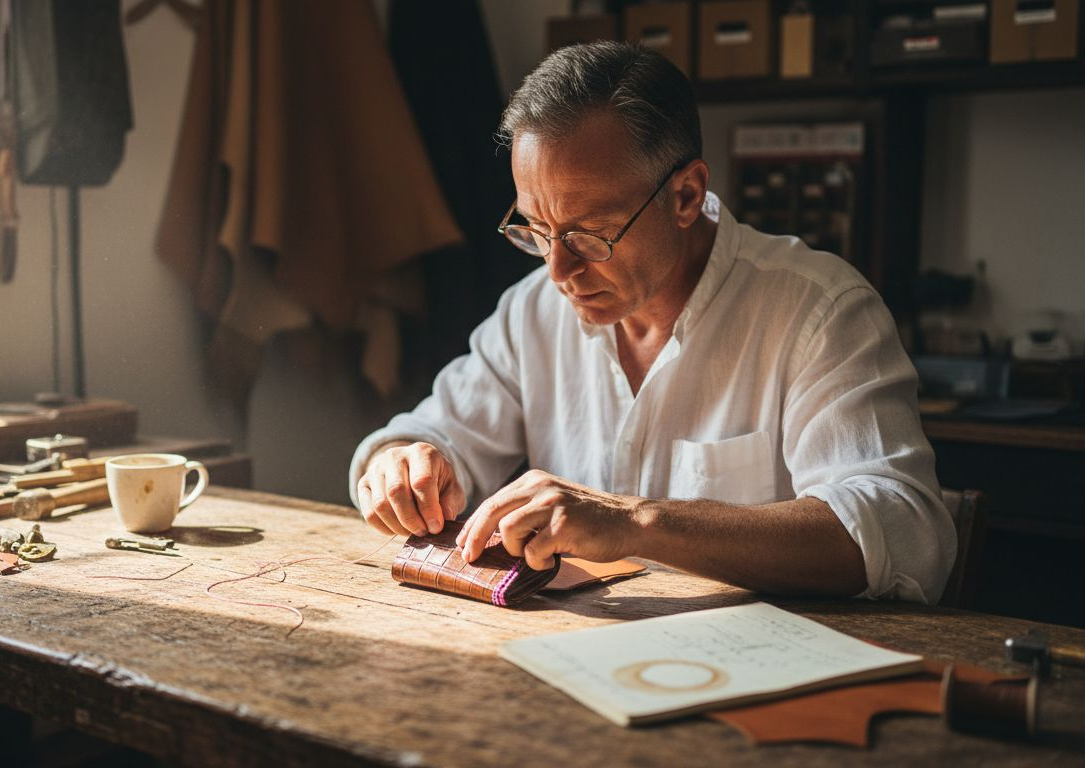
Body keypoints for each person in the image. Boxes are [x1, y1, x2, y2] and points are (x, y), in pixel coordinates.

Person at [349, 42, 954, 604]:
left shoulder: (819, 310)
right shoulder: (533, 311)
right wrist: (402, 463)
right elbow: (436, 433)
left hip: (755, 676)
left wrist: (635, 522)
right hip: (574, 659)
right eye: (535, 229)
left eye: (589, 233)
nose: (558, 269)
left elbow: (899, 527)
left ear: (686, 196)